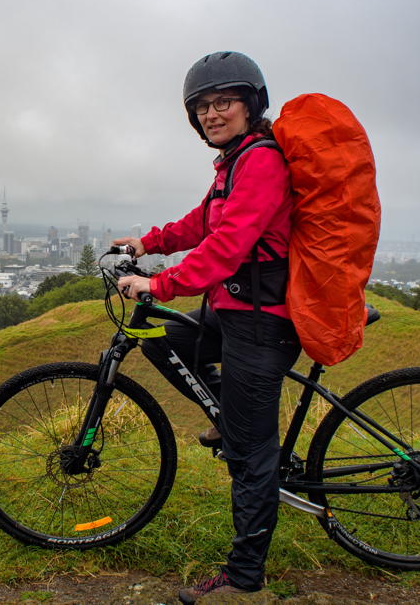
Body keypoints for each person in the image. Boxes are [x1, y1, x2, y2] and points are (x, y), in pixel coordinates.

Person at [114, 51, 302, 602]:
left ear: (251, 105)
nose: (212, 114)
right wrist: (148, 242)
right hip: (233, 309)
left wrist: (159, 284)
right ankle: (226, 414)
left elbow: (228, 246)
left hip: (262, 322)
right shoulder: (234, 162)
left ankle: (243, 582)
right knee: (167, 337)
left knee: (251, 456)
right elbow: (203, 221)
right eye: (202, 107)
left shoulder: (262, 161)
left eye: (224, 102)